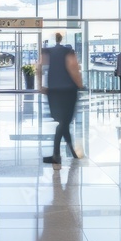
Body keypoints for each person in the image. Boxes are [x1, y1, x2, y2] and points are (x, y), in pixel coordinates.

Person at [38, 32, 83, 168]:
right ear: (61, 38)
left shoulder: (48, 51)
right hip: (68, 90)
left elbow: (38, 66)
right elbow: (73, 68)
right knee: (64, 122)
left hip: (53, 91)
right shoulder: (68, 51)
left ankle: (67, 152)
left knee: (63, 122)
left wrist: (40, 85)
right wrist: (80, 84)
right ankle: (58, 154)